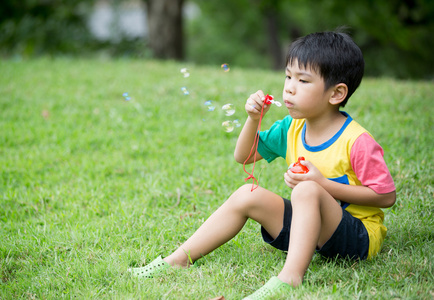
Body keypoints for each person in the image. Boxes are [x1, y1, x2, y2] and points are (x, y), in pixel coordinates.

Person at [129, 31, 396, 299]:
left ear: (336, 93)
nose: (290, 87)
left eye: (303, 80)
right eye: (288, 77)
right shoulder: (292, 127)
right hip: (311, 230)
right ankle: (177, 260)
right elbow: (244, 156)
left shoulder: (356, 141)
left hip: (356, 238)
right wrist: (253, 119)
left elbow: (385, 196)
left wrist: (321, 184)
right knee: (248, 193)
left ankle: (290, 278)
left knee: (306, 190)